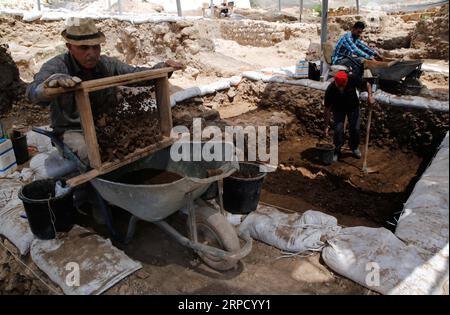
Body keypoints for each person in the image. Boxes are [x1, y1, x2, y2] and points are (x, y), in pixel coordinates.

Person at [26, 18, 183, 164]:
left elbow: (138, 75)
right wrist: (46, 88)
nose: (92, 53)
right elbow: (32, 92)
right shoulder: (56, 67)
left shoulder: (107, 64)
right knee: (90, 156)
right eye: (84, 48)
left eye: (96, 47)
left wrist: (162, 68)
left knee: (141, 142)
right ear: (69, 47)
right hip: (74, 130)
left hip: (106, 125)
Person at [323, 71, 375, 162]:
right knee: (338, 129)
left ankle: (354, 147)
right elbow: (327, 109)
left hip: (353, 107)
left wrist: (370, 96)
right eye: (339, 86)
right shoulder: (331, 89)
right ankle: (337, 150)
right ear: (335, 82)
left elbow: (367, 84)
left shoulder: (352, 78)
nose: (341, 88)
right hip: (338, 109)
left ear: (346, 81)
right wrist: (326, 126)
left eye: (343, 86)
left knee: (355, 128)